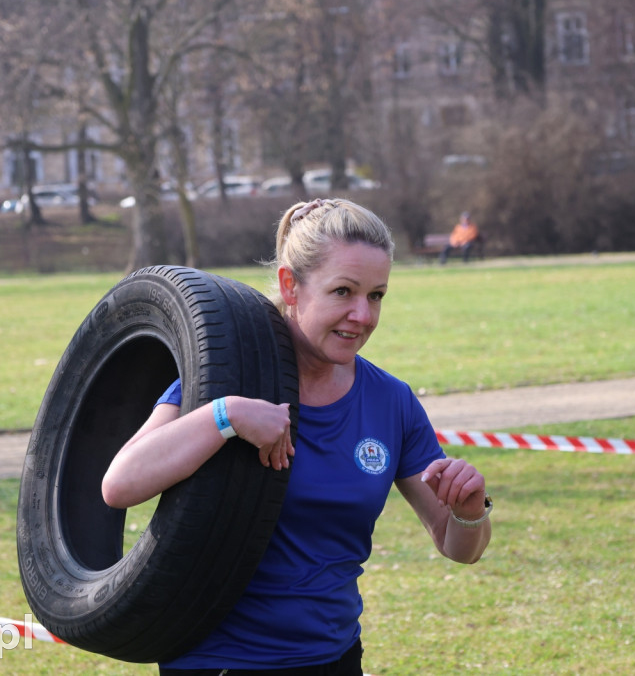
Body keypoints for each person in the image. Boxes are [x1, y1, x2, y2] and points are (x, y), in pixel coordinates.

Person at [102, 198, 492, 675]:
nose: (363, 315)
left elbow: (458, 546)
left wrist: (470, 512)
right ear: (291, 286)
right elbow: (119, 484)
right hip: (218, 663)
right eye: (343, 291)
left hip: (334, 658)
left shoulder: (391, 400)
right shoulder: (225, 377)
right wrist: (226, 417)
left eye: (376, 296)